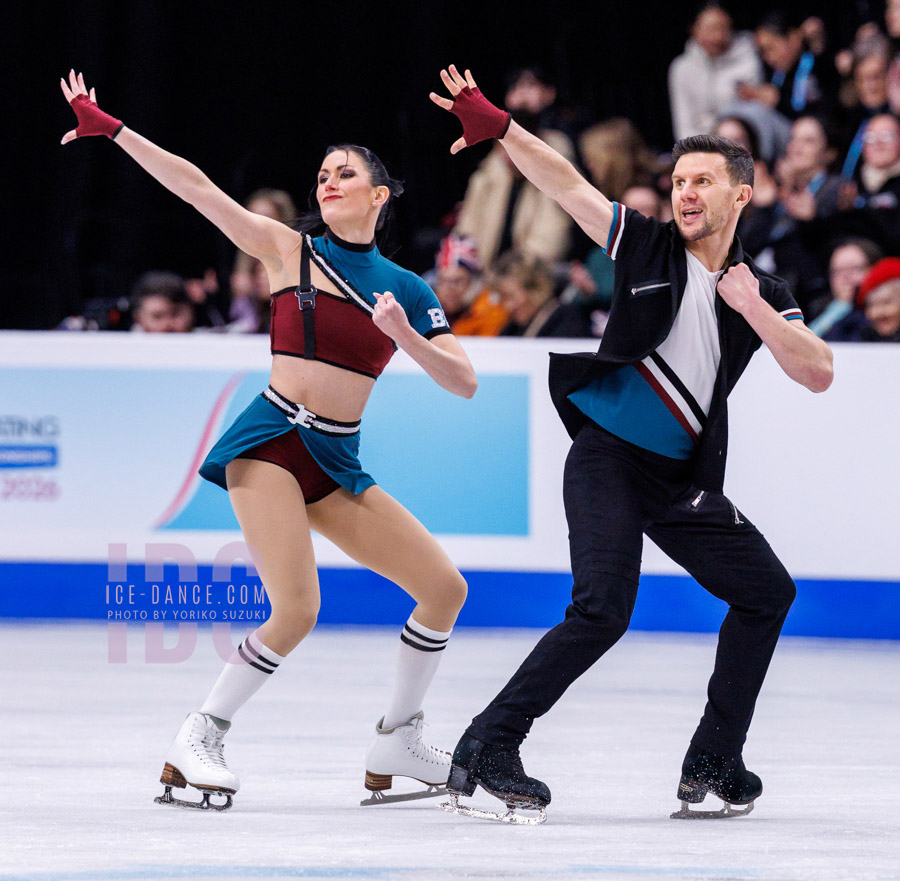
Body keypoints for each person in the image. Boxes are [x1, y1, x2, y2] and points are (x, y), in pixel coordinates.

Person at [60, 71, 476, 810]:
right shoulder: (291, 252)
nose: (328, 182)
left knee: (444, 588)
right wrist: (116, 131)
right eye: (321, 174)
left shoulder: (408, 288)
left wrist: (405, 335)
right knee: (298, 607)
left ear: (380, 195)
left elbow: (463, 380)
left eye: (345, 173)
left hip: (336, 458)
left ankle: (397, 737)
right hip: (272, 439)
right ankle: (200, 734)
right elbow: (199, 190)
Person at [429, 65, 833, 822]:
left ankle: (714, 757)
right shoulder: (646, 248)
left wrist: (756, 308)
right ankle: (491, 741)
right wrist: (506, 130)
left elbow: (819, 373)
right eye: (679, 178)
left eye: (703, 181)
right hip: (608, 458)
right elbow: (570, 188)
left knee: (766, 592)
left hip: (679, 479)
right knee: (602, 607)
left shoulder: (765, 292)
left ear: (741, 194)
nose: (685, 192)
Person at [668, 3, 763, 141]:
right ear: (694, 29)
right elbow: (683, 122)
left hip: (740, 144)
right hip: (700, 145)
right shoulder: (681, 68)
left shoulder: (749, 58)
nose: (718, 36)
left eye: (723, 28)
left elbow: (752, 114)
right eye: (711, 29)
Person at [432, 234, 509, 336]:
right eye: (443, 281)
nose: (449, 289)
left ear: (473, 282)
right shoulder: (426, 311)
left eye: (457, 281)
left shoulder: (491, 313)